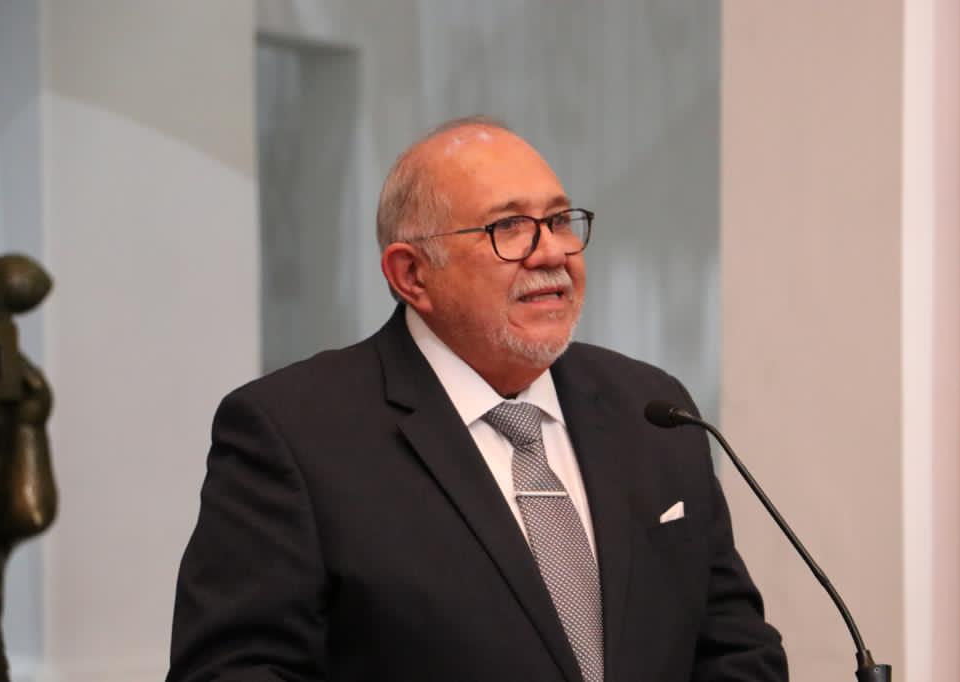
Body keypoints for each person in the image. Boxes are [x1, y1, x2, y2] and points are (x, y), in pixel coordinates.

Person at [167, 117, 787, 681]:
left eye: (560, 221)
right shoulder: (294, 433)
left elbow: (735, 648)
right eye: (508, 228)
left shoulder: (652, 409)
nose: (552, 253)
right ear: (412, 274)